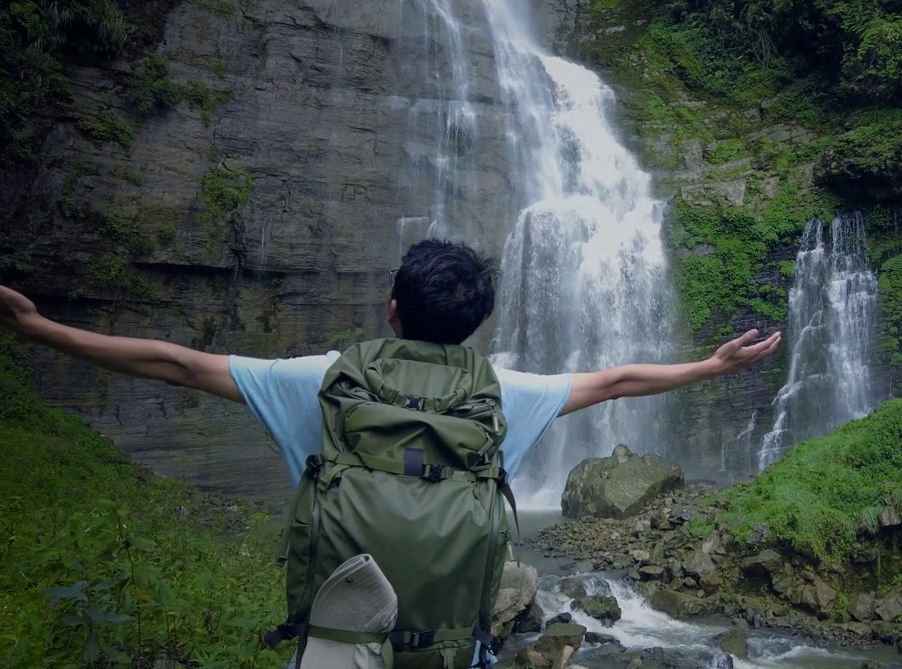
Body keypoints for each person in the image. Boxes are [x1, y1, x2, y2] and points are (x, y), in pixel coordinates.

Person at [0, 238, 781, 663]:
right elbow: (613, 381)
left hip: (338, 643)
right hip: (447, 645)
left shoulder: (321, 380)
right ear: (474, 323)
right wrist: (711, 366)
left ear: (392, 308)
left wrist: (40, 329)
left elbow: (178, 363)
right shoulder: (503, 392)